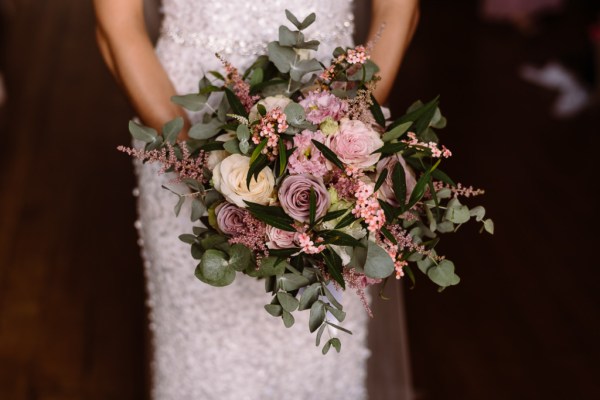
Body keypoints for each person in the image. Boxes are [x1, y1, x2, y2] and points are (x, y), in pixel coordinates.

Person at [93, 0, 420, 399]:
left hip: (333, 116)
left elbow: (400, 11)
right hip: (180, 122)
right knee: (202, 350)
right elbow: (118, 25)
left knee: (316, 351)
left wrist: (334, 139)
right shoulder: (189, 158)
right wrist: (203, 172)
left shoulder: (335, 139)